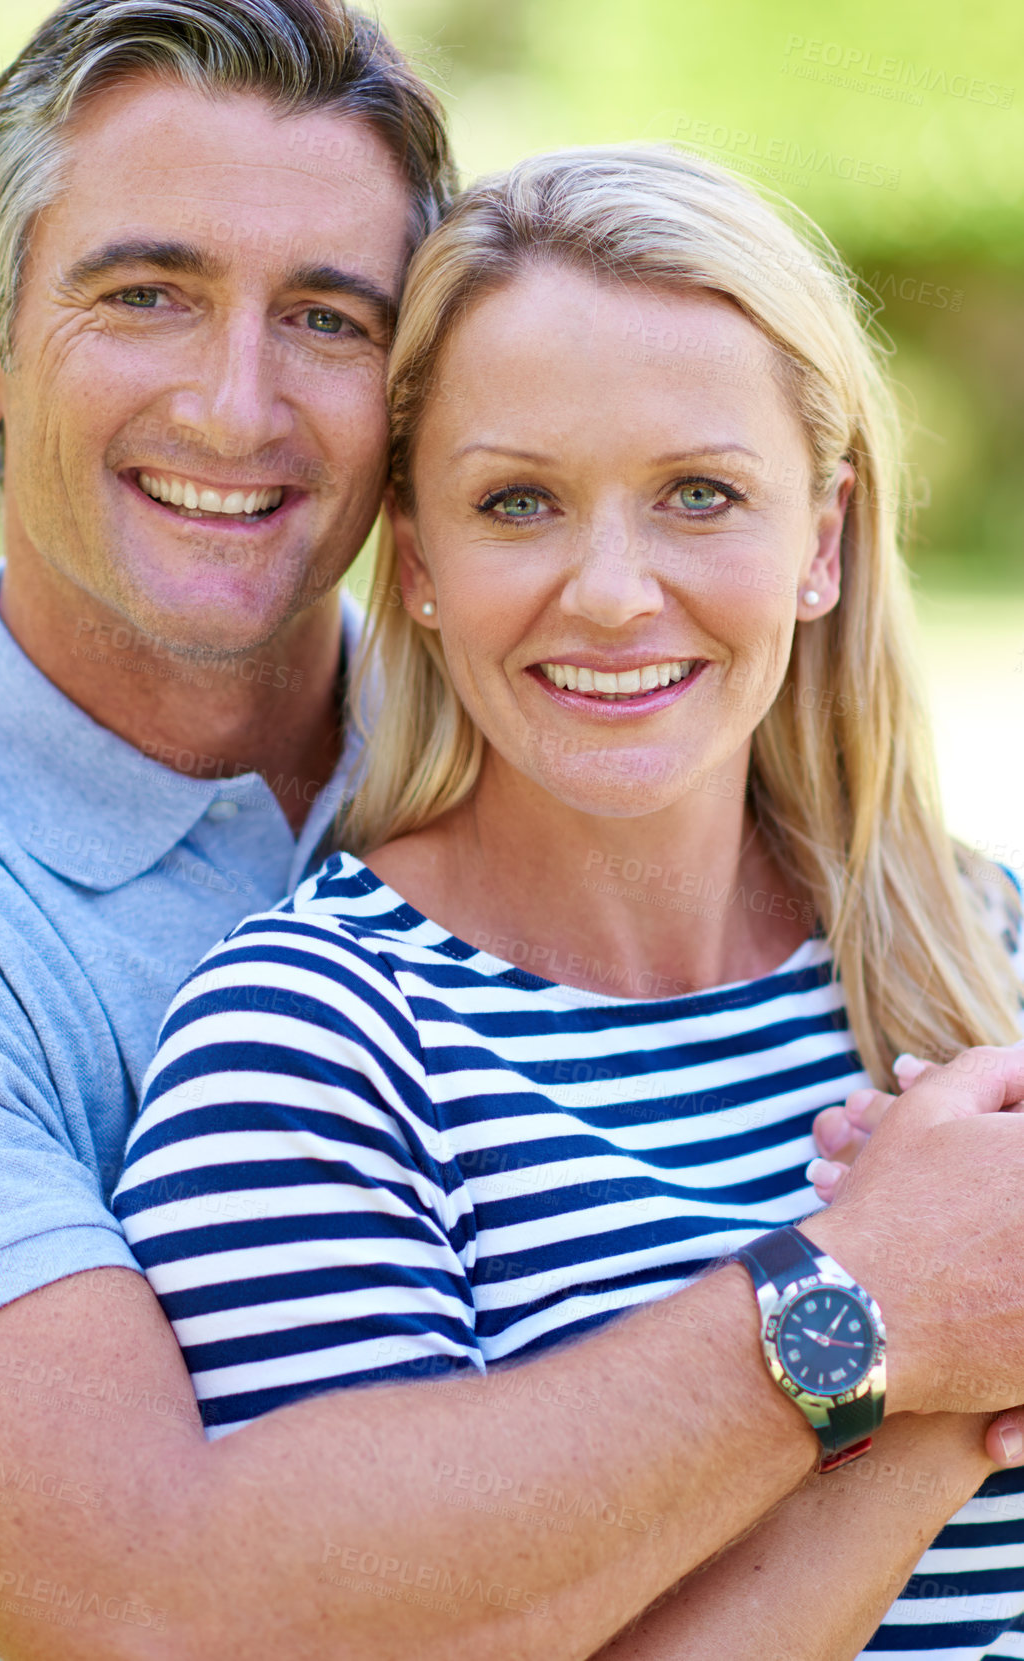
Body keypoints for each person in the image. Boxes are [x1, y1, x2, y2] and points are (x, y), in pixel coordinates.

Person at [0, 3, 1022, 1658]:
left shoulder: (646, 777)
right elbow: (153, 1611)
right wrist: (885, 1317)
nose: (236, 405)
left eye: (326, 317)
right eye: (145, 294)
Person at [113, 145, 1024, 1660]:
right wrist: (925, 1375)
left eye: (698, 494)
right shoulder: (305, 1050)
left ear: (821, 539)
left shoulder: (982, 947)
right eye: (520, 500)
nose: (609, 590)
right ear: (415, 561)